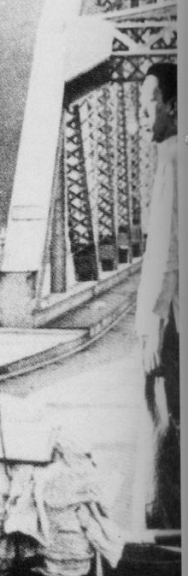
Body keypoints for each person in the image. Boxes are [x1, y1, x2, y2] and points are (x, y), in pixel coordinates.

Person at [136, 62, 178, 527]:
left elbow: (168, 251)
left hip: (170, 328)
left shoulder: (172, 157)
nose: (141, 114)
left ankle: (165, 532)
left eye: (149, 103)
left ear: (173, 105)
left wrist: (152, 327)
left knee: (166, 426)